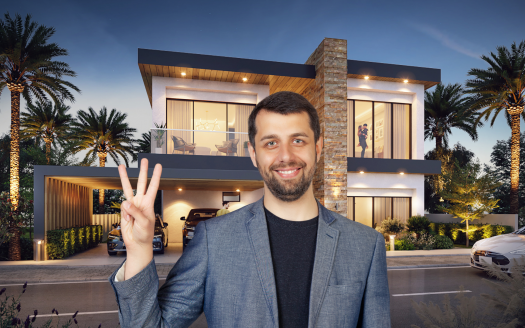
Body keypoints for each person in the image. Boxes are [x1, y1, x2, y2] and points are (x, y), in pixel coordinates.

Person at [110, 91, 390, 327]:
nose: (286, 156)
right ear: (253, 154)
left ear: (317, 148)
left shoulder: (366, 245)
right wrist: (139, 250)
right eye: (271, 143)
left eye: (298, 140)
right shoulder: (214, 240)